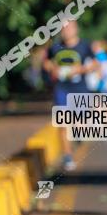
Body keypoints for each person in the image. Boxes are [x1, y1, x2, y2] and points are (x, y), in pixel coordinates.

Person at [43, 20, 100, 171]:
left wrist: (80, 69)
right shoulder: (55, 47)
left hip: (80, 88)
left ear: (76, 29)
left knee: (80, 121)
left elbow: (96, 64)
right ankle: (67, 156)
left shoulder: (85, 46)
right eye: (64, 28)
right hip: (62, 88)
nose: (66, 30)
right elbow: (46, 63)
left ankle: (79, 134)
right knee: (62, 122)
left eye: (69, 27)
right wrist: (53, 68)